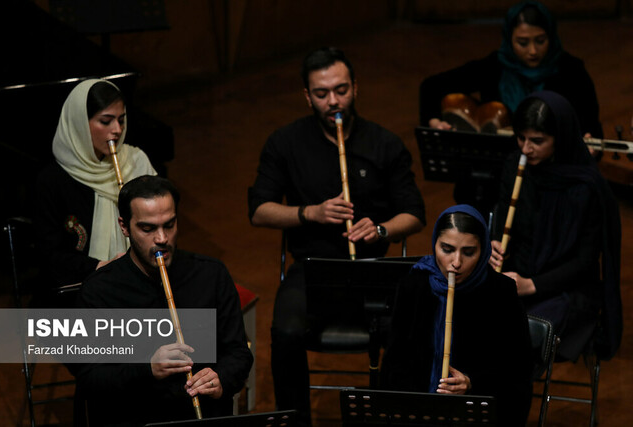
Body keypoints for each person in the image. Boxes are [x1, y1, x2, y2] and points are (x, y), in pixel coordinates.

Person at [248, 47, 426, 426]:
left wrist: (380, 229)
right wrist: (307, 212)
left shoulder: (385, 144)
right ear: (307, 96)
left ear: (355, 88)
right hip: (313, 270)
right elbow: (259, 211)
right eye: (322, 94)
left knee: (412, 330)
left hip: (375, 270)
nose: (333, 101)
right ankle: (297, 421)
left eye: (341, 90)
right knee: (286, 331)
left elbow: (414, 215)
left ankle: (392, 415)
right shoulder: (285, 143)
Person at [74, 175, 253, 426]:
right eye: (147, 229)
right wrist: (147, 369)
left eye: (169, 225)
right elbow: (91, 378)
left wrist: (221, 378)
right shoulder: (100, 290)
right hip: (137, 417)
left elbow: (238, 353)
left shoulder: (211, 275)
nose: (162, 239)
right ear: (124, 227)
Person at [489, 91, 622, 362]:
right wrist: (495, 243)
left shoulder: (587, 186)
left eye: (537, 141)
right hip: (518, 278)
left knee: (514, 335)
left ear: (559, 139)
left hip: (567, 290)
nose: (526, 149)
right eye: (521, 138)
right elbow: (505, 221)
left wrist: (531, 285)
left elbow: (584, 263)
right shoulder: (516, 166)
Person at [380, 205, 532, 426]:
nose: (457, 262)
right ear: (434, 245)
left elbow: (517, 368)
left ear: (483, 252)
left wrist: (472, 383)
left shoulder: (502, 291)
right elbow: (396, 359)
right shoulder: (414, 284)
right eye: (447, 249)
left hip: (478, 410)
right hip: (418, 410)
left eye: (469, 252)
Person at [34, 79, 156, 289]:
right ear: (80, 124)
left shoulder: (136, 162)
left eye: (121, 119)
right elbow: (51, 256)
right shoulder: (52, 181)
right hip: (80, 290)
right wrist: (103, 267)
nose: (117, 129)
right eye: (106, 121)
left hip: (140, 284)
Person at [420, 1, 602, 138]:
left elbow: (591, 124)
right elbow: (431, 86)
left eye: (540, 41)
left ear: (551, 37)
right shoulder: (494, 65)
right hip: (500, 166)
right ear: (509, 39)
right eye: (522, 43)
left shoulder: (572, 70)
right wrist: (434, 120)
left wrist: (590, 141)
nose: (532, 51)